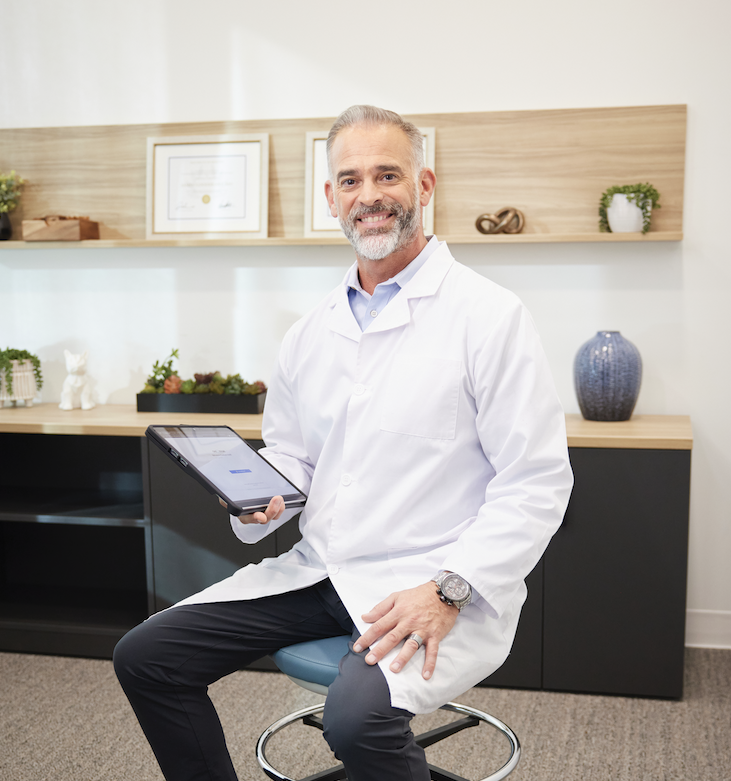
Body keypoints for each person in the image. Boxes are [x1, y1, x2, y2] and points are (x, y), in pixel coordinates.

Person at [114, 104, 573, 781]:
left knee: (355, 721)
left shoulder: (488, 317)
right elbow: (295, 455)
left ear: (423, 185)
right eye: (350, 180)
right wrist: (258, 495)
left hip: (436, 581)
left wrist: (447, 590)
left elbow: (534, 481)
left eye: (388, 174)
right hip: (324, 568)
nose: (370, 196)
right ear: (331, 198)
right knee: (146, 656)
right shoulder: (310, 332)